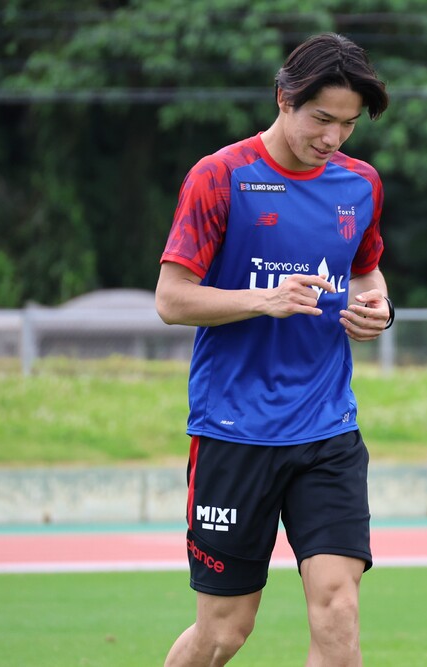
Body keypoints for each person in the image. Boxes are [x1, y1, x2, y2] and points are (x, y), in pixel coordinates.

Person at [155, 33, 391, 666]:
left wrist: (378, 309)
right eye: (321, 119)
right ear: (284, 99)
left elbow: (365, 271)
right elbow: (172, 299)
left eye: (348, 124)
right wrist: (265, 299)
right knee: (225, 631)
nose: (334, 137)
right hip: (235, 431)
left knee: (339, 611)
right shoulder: (219, 176)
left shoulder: (360, 184)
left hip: (328, 429)